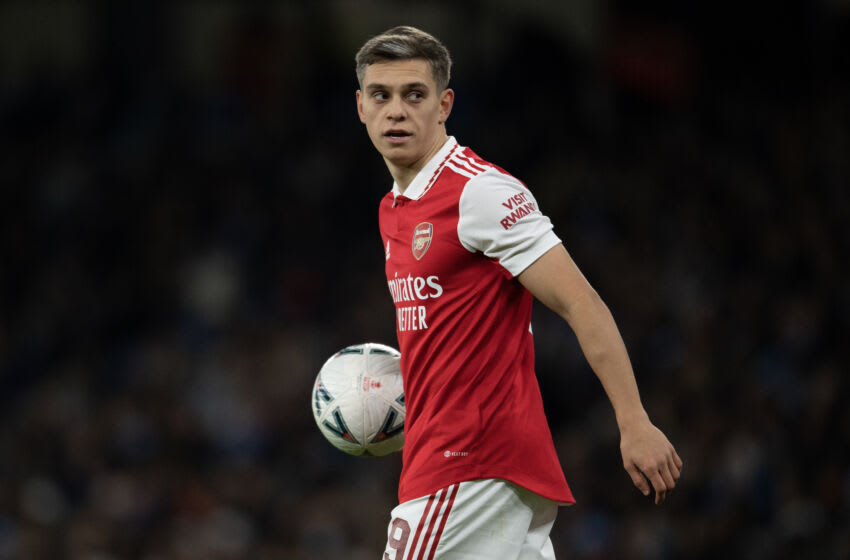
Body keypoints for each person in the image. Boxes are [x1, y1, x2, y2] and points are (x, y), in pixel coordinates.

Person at [355, 26, 682, 560]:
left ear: (444, 105)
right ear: (361, 107)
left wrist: (634, 420)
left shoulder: (479, 192)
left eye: (414, 94)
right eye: (381, 95)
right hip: (460, 465)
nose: (396, 110)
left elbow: (581, 302)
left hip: (469, 464)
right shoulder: (392, 208)